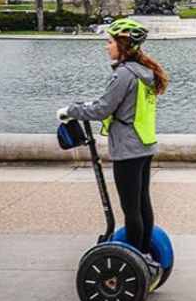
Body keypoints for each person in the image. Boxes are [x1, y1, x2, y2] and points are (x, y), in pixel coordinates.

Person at [57, 18, 168, 269]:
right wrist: (87, 106)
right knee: (142, 203)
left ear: (123, 44)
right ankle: (144, 256)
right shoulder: (144, 73)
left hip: (128, 149)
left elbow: (103, 109)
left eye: (109, 42)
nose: (106, 47)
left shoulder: (124, 74)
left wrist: (71, 110)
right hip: (144, 144)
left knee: (131, 209)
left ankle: (137, 261)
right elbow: (114, 104)